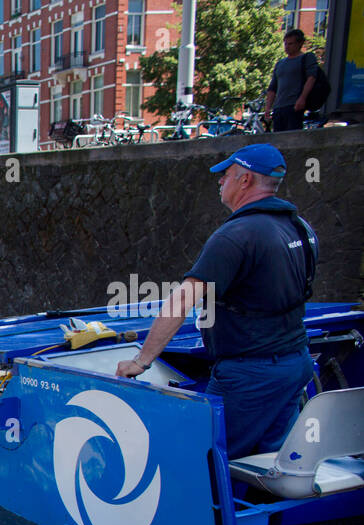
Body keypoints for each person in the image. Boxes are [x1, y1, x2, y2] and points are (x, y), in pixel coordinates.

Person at [116, 144, 317, 460]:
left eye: (225, 176)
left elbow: (181, 302)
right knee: (271, 463)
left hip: (250, 375)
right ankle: (264, 508)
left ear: (245, 179)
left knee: (203, 461)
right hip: (294, 364)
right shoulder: (300, 228)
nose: (219, 182)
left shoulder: (235, 236)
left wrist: (141, 361)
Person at [263, 29, 319, 132]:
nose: (287, 47)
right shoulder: (280, 63)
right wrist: (268, 108)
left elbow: (312, 78)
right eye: (285, 44)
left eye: (291, 44)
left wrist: (302, 98)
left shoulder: (306, 58)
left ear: (300, 43)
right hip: (279, 108)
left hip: (295, 106)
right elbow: (272, 88)